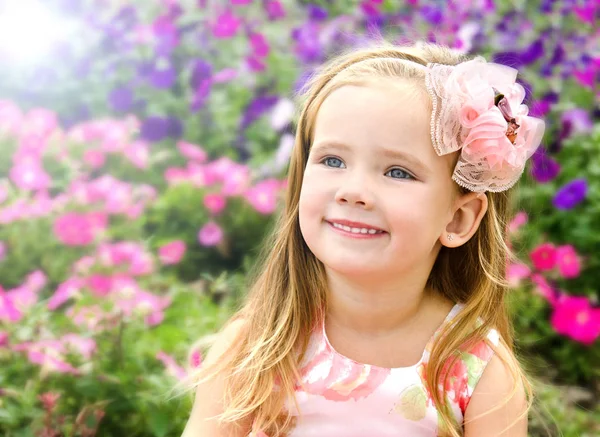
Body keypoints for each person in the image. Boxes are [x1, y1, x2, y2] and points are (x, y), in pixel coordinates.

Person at [179, 39, 545, 437]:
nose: (353, 191)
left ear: (457, 219)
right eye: (332, 160)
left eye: (397, 172)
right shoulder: (254, 347)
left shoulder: (475, 369)